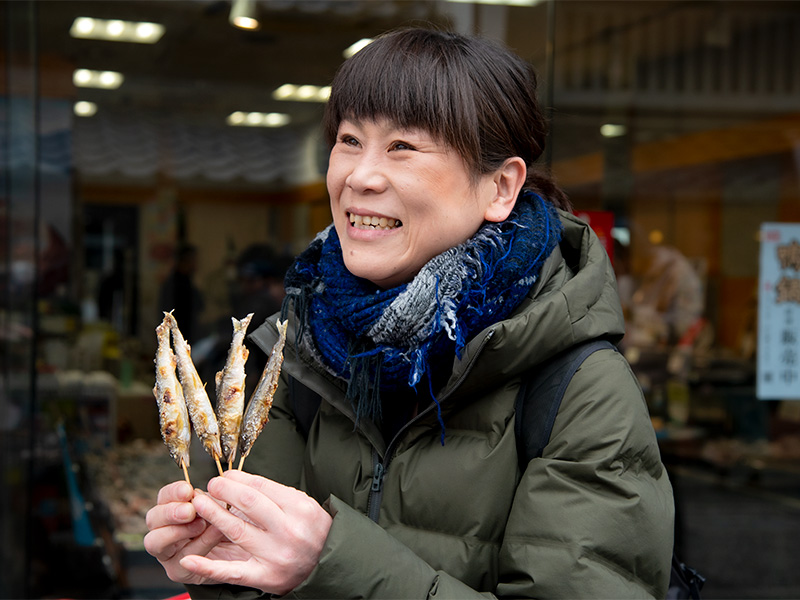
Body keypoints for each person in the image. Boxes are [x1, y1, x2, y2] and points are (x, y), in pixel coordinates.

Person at [144, 27, 674, 599]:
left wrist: (331, 560)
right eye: (349, 140)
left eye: (403, 147)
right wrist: (214, 564)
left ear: (499, 186)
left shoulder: (578, 389)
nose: (360, 176)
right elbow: (253, 574)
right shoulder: (294, 352)